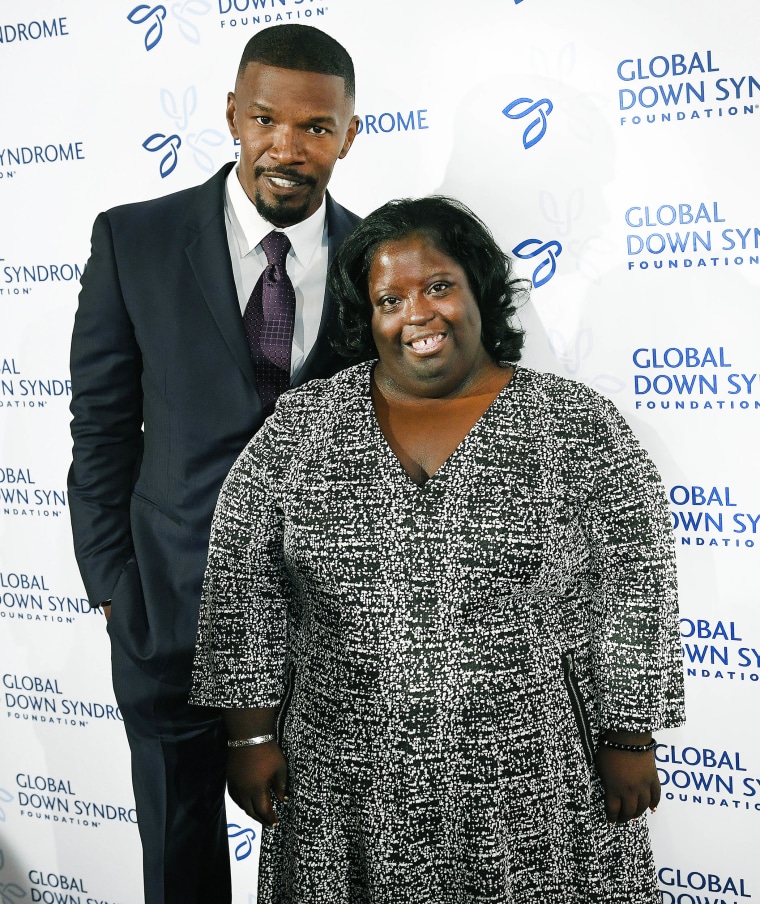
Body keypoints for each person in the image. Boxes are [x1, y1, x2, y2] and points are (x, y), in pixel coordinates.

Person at [190, 196, 685, 903]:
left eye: (439, 286)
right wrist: (247, 738)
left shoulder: (576, 425)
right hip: (342, 783)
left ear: (479, 289)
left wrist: (631, 736)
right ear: (369, 317)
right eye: (390, 298)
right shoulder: (302, 427)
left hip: (537, 782)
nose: (417, 314)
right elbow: (243, 583)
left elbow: (638, 580)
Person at [67, 24, 361, 904]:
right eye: (267, 118)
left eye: (316, 127)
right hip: (168, 616)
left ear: (349, 134)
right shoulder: (135, 241)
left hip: (332, 634)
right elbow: (102, 431)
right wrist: (116, 586)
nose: (287, 145)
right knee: (180, 854)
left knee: (326, 864)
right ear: (233, 114)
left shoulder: (381, 260)